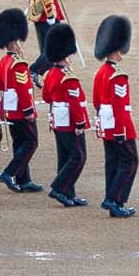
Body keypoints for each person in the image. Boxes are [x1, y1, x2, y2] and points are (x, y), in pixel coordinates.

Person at [0, 7, 43, 191]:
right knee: (31, 142)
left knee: (19, 142)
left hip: (9, 108)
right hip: (21, 110)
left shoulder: (2, 62)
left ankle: (24, 179)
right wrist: (29, 110)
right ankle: (10, 172)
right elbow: (23, 90)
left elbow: (1, 85)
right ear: (16, 40)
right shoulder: (18, 64)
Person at [92, 15, 138, 217]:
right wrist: (120, 130)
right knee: (130, 161)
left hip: (106, 123)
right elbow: (119, 106)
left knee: (112, 161)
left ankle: (113, 200)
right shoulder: (117, 76)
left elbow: (96, 101)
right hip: (120, 125)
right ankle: (114, 199)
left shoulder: (101, 72)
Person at [40, 23, 89, 207]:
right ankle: (60, 188)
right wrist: (80, 123)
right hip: (70, 122)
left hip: (57, 120)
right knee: (78, 156)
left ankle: (69, 193)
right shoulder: (68, 77)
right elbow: (75, 104)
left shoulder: (50, 74)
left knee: (65, 156)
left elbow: (45, 97)